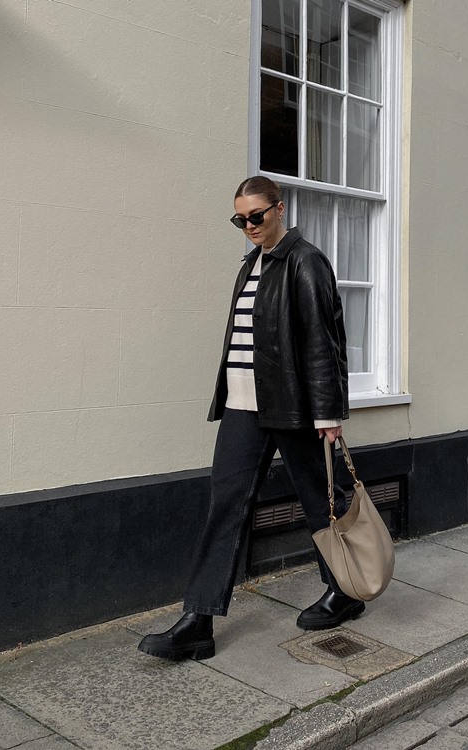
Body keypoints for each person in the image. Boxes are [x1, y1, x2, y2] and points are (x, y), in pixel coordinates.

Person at [138, 176, 363, 661]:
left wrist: (327, 412)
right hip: (243, 407)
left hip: (293, 409)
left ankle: (345, 590)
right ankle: (198, 621)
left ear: (279, 209)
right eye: (240, 220)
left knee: (320, 501)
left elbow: (323, 343)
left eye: (256, 217)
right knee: (225, 505)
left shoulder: (306, 261)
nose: (248, 226)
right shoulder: (251, 263)